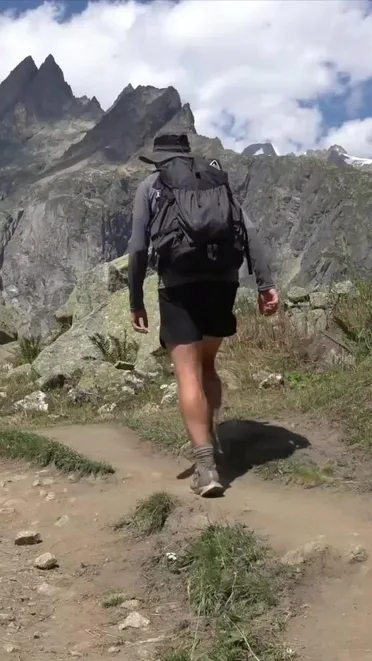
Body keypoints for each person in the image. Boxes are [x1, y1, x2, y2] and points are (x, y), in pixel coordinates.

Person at [126, 132, 279, 498]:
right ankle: (211, 439)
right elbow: (250, 231)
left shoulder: (151, 186)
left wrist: (135, 299)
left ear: (159, 158)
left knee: (187, 373)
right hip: (222, 283)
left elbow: (137, 246)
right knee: (207, 364)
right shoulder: (214, 180)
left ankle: (206, 467)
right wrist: (265, 284)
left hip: (178, 285)